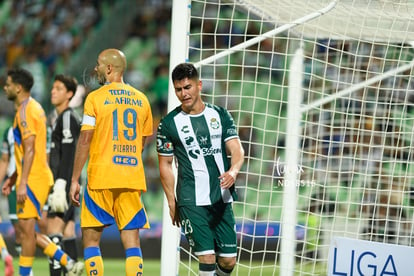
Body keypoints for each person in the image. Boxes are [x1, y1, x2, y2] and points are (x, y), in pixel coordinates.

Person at [69, 48, 153, 276]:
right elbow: (142, 142)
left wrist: (75, 179)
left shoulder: (94, 98)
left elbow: (85, 139)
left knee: (91, 241)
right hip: (131, 177)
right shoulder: (142, 100)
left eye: (98, 64)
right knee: (132, 243)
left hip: (101, 177)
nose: (95, 68)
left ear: (108, 68)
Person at [157, 63, 245, 275]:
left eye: (187, 87)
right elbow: (165, 165)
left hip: (221, 197)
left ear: (199, 85)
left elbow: (237, 150)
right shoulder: (169, 124)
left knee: (228, 262)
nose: (183, 93)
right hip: (191, 199)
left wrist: (233, 172)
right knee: (207, 257)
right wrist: (171, 201)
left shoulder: (220, 115)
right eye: (178, 89)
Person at [1, 68, 84, 276]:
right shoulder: (33, 108)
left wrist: (22, 182)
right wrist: (13, 177)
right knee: (26, 231)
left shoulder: (25, 111)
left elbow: (29, 149)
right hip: (34, 176)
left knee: (26, 233)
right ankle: (68, 262)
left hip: (33, 179)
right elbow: (28, 150)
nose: (5, 87)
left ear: (18, 88)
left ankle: (25, 273)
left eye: (8, 84)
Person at [46, 74, 81, 276]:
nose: (53, 91)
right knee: (68, 231)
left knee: (53, 232)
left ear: (69, 94)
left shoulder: (68, 117)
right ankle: (72, 272)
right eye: (53, 87)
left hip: (64, 181)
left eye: (59, 88)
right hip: (69, 181)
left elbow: (70, 154)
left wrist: (61, 184)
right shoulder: (60, 117)